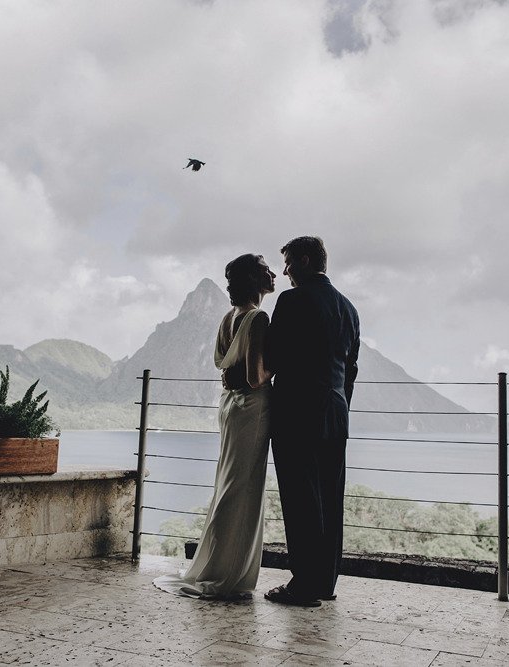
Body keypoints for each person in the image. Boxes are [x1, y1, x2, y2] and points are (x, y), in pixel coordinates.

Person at [153, 253, 277, 599]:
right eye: (267, 270)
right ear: (256, 278)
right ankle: (227, 573)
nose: (274, 275)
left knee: (228, 484)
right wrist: (278, 366)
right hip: (252, 408)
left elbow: (228, 370)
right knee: (243, 488)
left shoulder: (228, 318)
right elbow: (255, 377)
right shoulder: (257, 317)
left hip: (229, 407)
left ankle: (219, 564)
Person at [263, 236, 360, 607]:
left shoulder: (292, 300)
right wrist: (339, 406)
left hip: (297, 411)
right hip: (336, 412)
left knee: (301, 498)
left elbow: (274, 355)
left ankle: (303, 585)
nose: (285, 271)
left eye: (287, 263)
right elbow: (350, 370)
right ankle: (325, 582)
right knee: (330, 499)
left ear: (304, 261)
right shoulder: (349, 308)